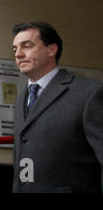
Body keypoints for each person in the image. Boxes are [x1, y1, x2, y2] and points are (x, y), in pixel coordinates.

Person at [11, 22, 103, 193]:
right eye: (15, 49)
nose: (18, 54)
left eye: (27, 46)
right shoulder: (22, 98)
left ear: (52, 50)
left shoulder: (90, 92)